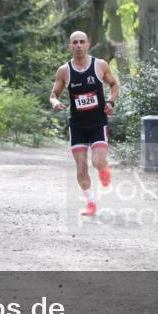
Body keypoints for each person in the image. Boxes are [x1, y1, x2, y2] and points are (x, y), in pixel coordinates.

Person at [49, 31, 120, 216]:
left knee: (97, 162)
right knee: (81, 166)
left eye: (82, 42)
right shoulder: (64, 70)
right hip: (77, 125)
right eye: (75, 42)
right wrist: (55, 102)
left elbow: (114, 85)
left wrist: (111, 102)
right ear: (70, 47)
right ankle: (90, 202)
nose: (78, 45)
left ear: (88, 44)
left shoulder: (100, 65)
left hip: (98, 123)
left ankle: (104, 170)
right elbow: (53, 94)